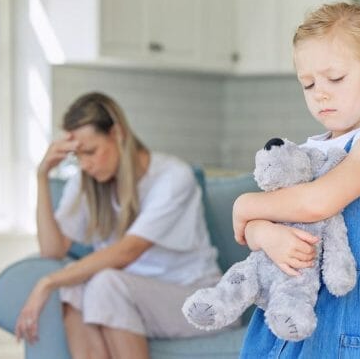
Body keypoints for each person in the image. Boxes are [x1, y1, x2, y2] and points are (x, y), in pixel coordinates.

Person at [231, 2, 360, 358]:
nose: (321, 93)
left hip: (350, 316)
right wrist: (266, 234)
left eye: (335, 78)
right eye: (308, 83)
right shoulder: (307, 150)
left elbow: (319, 201)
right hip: (288, 308)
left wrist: (245, 204)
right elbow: (253, 231)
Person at [13, 92, 223, 359]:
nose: (86, 164)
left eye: (90, 151)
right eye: (78, 156)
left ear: (117, 133)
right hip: (125, 298)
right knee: (74, 285)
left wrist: (47, 282)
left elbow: (128, 251)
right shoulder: (86, 181)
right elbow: (52, 251)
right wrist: (42, 176)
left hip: (195, 297)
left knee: (104, 282)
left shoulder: (172, 177)